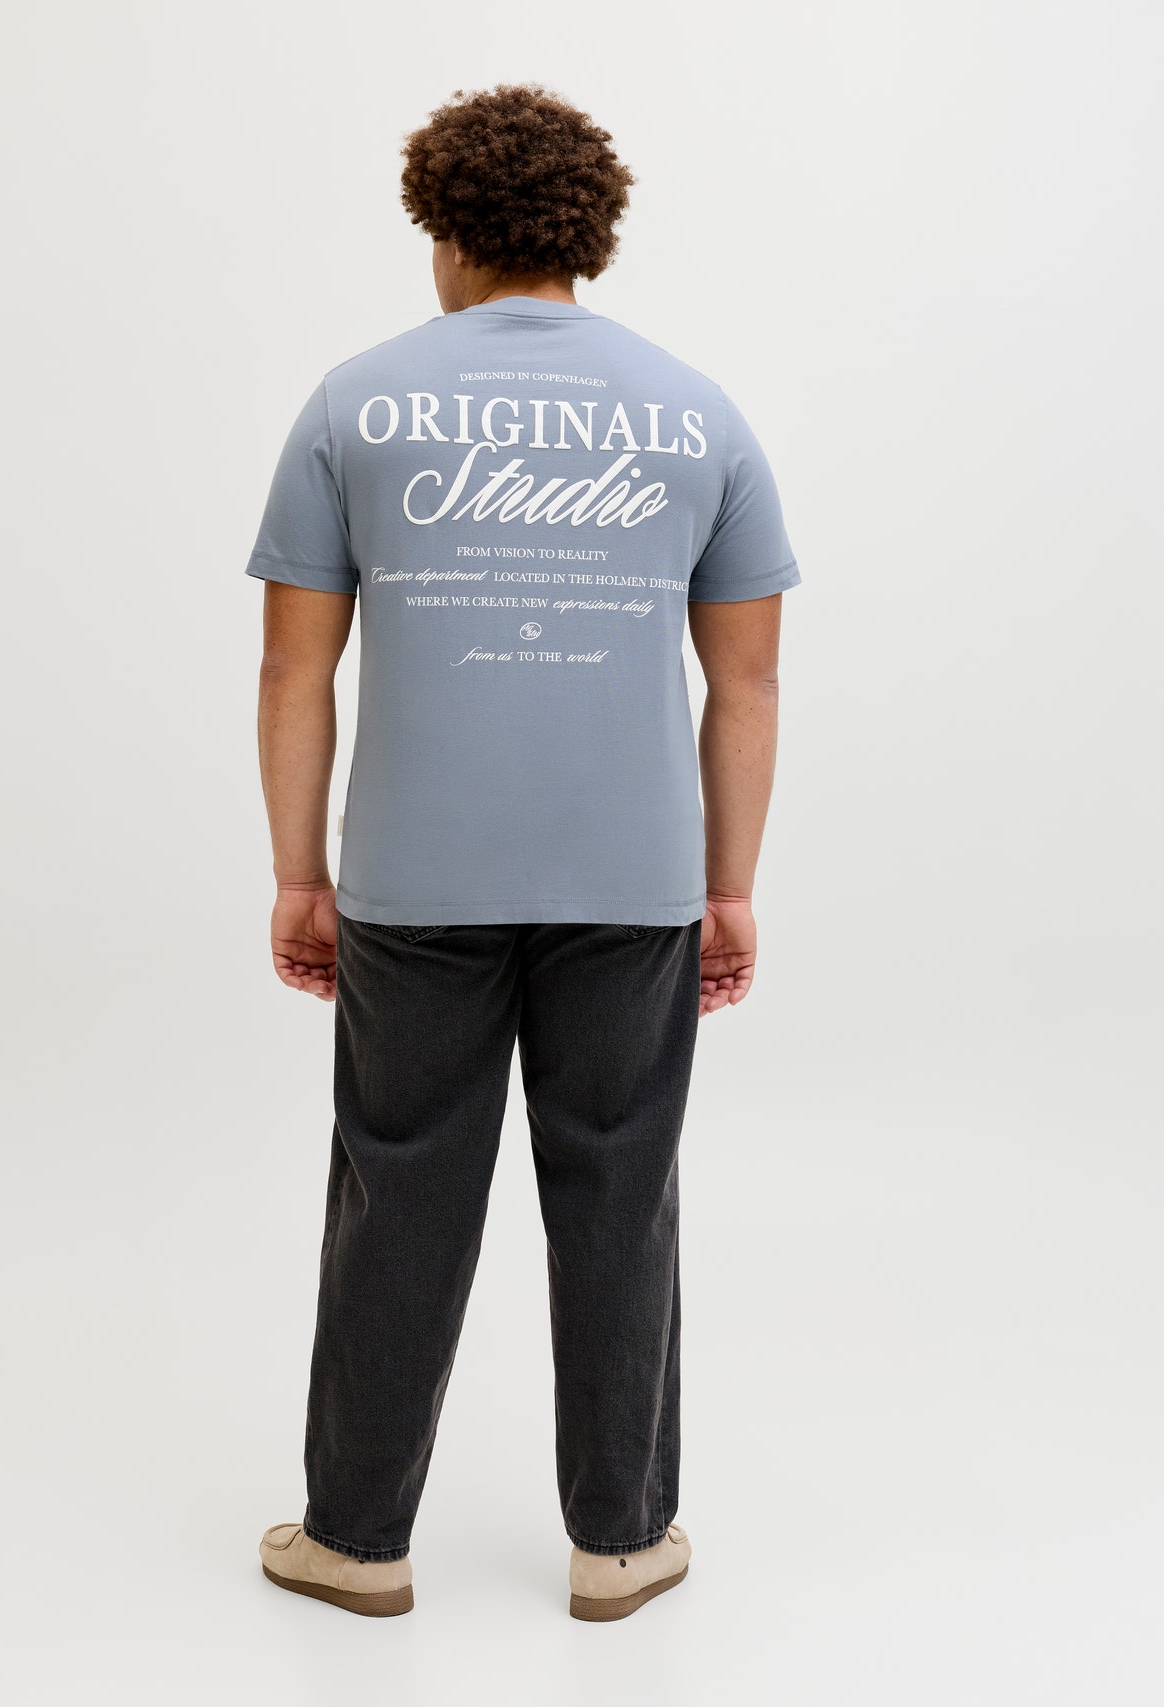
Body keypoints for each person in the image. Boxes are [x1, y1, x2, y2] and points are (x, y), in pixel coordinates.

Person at [245, 83, 801, 1622]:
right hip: (633, 878)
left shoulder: (355, 404)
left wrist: (299, 875)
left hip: (416, 877)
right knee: (620, 1190)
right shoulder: (699, 414)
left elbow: (297, 670)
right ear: (589, 233)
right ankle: (621, 1545)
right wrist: (730, 886)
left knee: (398, 1189)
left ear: (443, 228)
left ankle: (357, 1543)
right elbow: (748, 683)